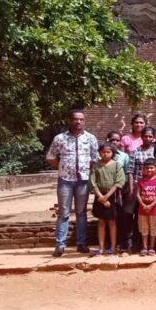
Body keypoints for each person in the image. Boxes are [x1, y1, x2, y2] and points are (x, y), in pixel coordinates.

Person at [46, 109, 99, 257]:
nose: (78, 122)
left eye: (81, 119)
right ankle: (60, 244)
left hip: (83, 180)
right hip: (65, 180)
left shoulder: (90, 138)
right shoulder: (60, 138)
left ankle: (81, 243)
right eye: (76, 119)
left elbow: (95, 159)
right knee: (64, 213)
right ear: (70, 120)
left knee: (81, 213)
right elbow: (50, 157)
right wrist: (62, 166)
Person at [89, 143, 125, 255]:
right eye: (103, 152)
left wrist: (107, 197)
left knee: (112, 222)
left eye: (108, 152)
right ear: (99, 152)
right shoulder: (96, 165)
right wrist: (101, 197)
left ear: (113, 153)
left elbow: (119, 181)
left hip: (112, 195)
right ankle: (101, 247)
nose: (105, 154)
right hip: (99, 195)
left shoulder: (116, 165)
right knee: (101, 222)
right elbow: (92, 182)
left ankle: (113, 247)